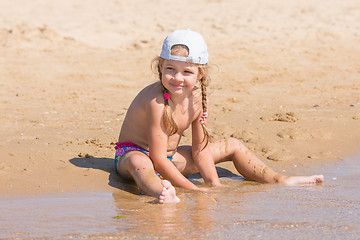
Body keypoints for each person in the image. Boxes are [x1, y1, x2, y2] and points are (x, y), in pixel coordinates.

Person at [115, 29, 324, 204]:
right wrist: (194, 190)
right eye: (170, 69)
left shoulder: (197, 97)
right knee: (139, 164)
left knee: (232, 145)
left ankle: (278, 179)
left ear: (200, 74)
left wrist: (214, 185)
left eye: (187, 72)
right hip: (137, 155)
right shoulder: (156, 102)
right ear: (160, 67)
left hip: (172, 159)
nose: (177, 78)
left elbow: (200, 150)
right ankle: (160, 192)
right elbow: (158, 159)